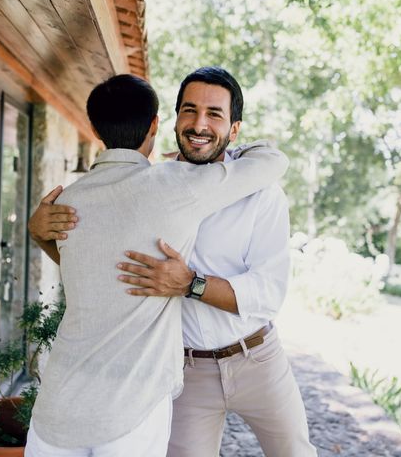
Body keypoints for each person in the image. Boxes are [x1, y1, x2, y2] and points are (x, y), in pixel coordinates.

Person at [25, 73, 288, 457]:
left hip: (60, 404)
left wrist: (38, 232)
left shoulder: (69, 200)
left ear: (95, 128)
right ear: (155, 125)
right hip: (134, 405)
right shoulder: (177, 184)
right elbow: (272, 161)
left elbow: (81, 267)